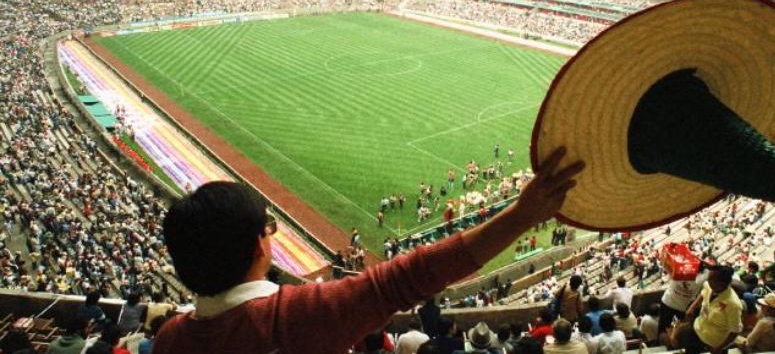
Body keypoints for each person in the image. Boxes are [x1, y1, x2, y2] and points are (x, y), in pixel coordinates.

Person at [153, 148, 583, 354]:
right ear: (257, 247)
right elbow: (408, 277)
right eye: (269, 228)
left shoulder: (171, 339)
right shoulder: (295, 317)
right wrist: (522, 215)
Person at [683, 265, 743, 354]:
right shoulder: (708, 285)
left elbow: (735, 331)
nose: (708, 280)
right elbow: (703, 294)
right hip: (698, 329)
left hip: (715, 342)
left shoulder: (733, 304)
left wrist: (720, 347)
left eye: (711, 279)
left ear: (722, 283)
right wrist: (692, 307)